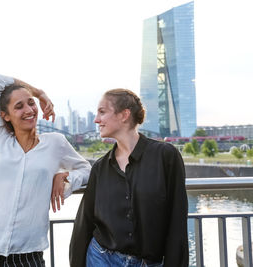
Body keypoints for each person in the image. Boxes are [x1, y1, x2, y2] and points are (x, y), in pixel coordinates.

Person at [0, 73, 91, 266]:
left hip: (28, 252)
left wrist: (66, 177)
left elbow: (87, 170)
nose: (29, 110)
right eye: (19, 106)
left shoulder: (55, 143)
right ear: (5, 116)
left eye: (31, 103)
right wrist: (39, 93)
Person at [69, 89, 188, 267]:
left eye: (102, 112)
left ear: (124, 115)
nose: (96, 120)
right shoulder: (100, 168)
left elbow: (177, 220)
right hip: (100, 259)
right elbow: (84, 223)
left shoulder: (165, 156)